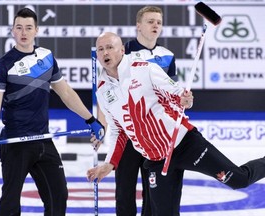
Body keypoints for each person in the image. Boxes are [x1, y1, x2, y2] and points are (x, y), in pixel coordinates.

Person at [87, 32, 265, 216]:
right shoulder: (102, 91)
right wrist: (109, 163)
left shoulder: (143, 68)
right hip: (156, 160)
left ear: (122, 50)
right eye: (100, 49)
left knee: (238, 179)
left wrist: (184, 98)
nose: (105, 53)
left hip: (185, 144)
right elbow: (119, 130)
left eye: (110, 47)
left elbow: (175, 92)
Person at [0, 8, 104, 216]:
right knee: (10, 202)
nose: (24, 32)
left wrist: (91, 119)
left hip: (44, 141)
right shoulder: (2, 65)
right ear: (13, 31)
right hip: (16, 143)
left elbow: (65, 92)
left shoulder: (46, 57)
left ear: (36, 30)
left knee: (58, 196)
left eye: (28, 28)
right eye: (19, 28)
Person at [116, 6, 179, 216]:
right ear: (138, 26)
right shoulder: (122, 52)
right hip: (129, 131)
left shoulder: (167, 56)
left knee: (152, 188)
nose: (155, 26)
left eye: (158, 22)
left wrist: (182, 98)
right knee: (125, 188)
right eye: (150, 21)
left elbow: (172, 93)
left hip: (155, 133)